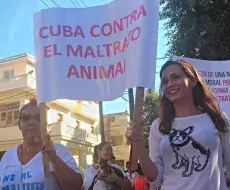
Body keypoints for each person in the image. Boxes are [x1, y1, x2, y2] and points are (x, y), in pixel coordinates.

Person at [126, 60, 230, 190]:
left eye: (175, 77)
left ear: (193, 80)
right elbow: (155, 178)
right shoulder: (158, 126)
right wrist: (137, 141)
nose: (169, 84)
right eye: (165, 82)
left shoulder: (217, 118)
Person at [0, 99, 83, 190]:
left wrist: (54, 159)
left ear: (45, 124)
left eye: (38, 118)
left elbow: (75, 186)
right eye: (25, 118)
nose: (31, 122)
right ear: (19, 124)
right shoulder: (8, 156)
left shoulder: (58, 151)